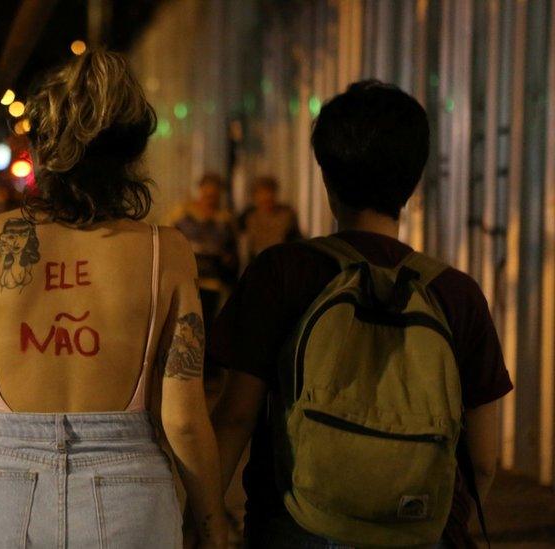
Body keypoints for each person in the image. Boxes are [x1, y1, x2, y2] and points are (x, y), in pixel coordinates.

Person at [0, 51, 229, 549]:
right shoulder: (164, 252)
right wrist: (212, 523)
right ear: (130, 149)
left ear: (40, 144)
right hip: (130, 490)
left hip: (4, 490)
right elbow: (183, 418)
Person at [208, 80, 512, 547]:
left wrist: (205, 523)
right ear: (412, 181)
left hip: (295, 526)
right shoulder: (456, 294)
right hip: (418, 530)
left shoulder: (282, 273)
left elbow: (235, 417)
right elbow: (484, 459)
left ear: (327, 177)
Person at [166, 172, 240, 328]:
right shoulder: (182, 213)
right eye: (207, 195)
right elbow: (167, 238)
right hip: (185, 279)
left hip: (211, 281)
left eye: (214, 196)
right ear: (200, 191)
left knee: (206, 324)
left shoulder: (224, 220)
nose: (210, 199)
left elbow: (232, 252)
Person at [237, 175, 301, 261]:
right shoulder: (248, 215)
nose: (266, 197)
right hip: (257, 261)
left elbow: (297, 239)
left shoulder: (286, 215)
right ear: (254, 196)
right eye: (261, 193)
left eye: (269, 192)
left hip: (281, 260)